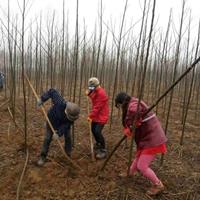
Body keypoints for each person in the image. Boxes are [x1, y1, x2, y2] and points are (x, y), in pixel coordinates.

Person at [115, 92, 167, 196]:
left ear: (121, 103)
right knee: (138, 157)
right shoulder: (133, 101)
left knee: (142, 166)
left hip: (152, 139)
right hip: (148, 136)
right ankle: (130, 172)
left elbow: (135, 111)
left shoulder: (132, 105)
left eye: (119, 106)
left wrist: (134, 123)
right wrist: (132, 126)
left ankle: (158, 184)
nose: (120, 108)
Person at [37, 88, 80, 166]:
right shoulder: (60, 102)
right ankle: (42, 157)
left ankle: (68, 154)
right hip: (51, 122)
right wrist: (42, 99)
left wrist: (59, 133)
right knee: (47, 138)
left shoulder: (71, 118)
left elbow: (66, 126)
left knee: (68, 137)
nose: (70, 119)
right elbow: (52, 91)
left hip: (62, 124)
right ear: (66, 111)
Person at [86, 77, 109, 159]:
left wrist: (90, 116)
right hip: (96, 115)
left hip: (102, 115)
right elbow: (94, 98)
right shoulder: (95, 91)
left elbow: (97, 107)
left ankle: (103, 149)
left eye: (92, 88)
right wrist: (89, 94)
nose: (90, 89)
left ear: (96, 86)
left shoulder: (101, 93)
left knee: (97, 131)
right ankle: (98, 143)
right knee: (93, 130)